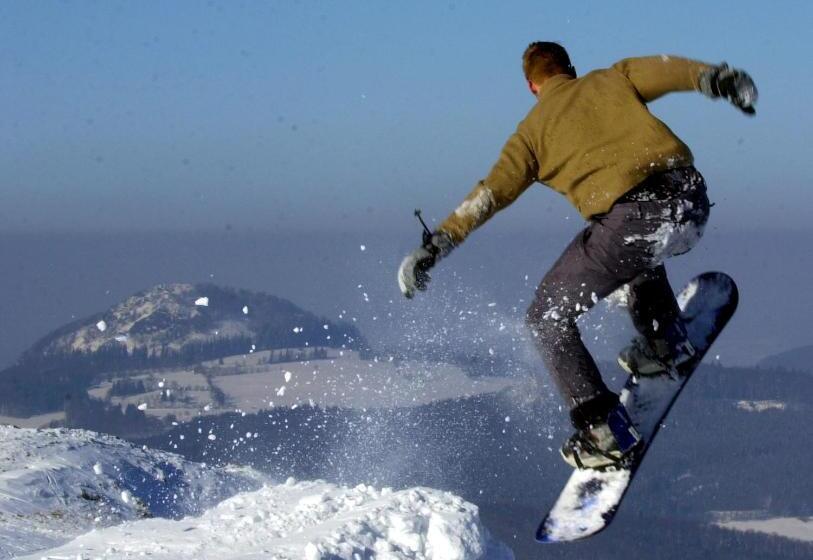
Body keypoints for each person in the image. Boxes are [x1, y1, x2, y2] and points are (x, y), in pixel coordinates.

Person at [397, 42, 757, 469]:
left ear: (532, 86)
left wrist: (439, 243)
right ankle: (663, 341)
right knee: (629, 248)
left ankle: (604, 431)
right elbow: (668, 70)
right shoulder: (611, 78)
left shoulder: (531, 134)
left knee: (545, 318)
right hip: (690, 201)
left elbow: (490, 195)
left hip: (635, 220)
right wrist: (715, 78)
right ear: (570, 69)